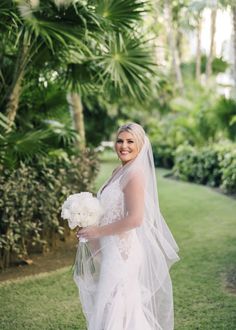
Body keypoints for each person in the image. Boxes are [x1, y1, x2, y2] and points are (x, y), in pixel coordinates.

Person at [74, 122, 179, 330]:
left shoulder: (135, 175)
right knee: (113, 305)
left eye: (130, 141)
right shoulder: (118, 171)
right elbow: (110, 211)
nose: (124, 146)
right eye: (120, 140)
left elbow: (135, 219)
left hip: (123, 253)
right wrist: (89, 223)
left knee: (116, 305)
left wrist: (97, 231)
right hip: (111, 249)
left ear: (140, 145)